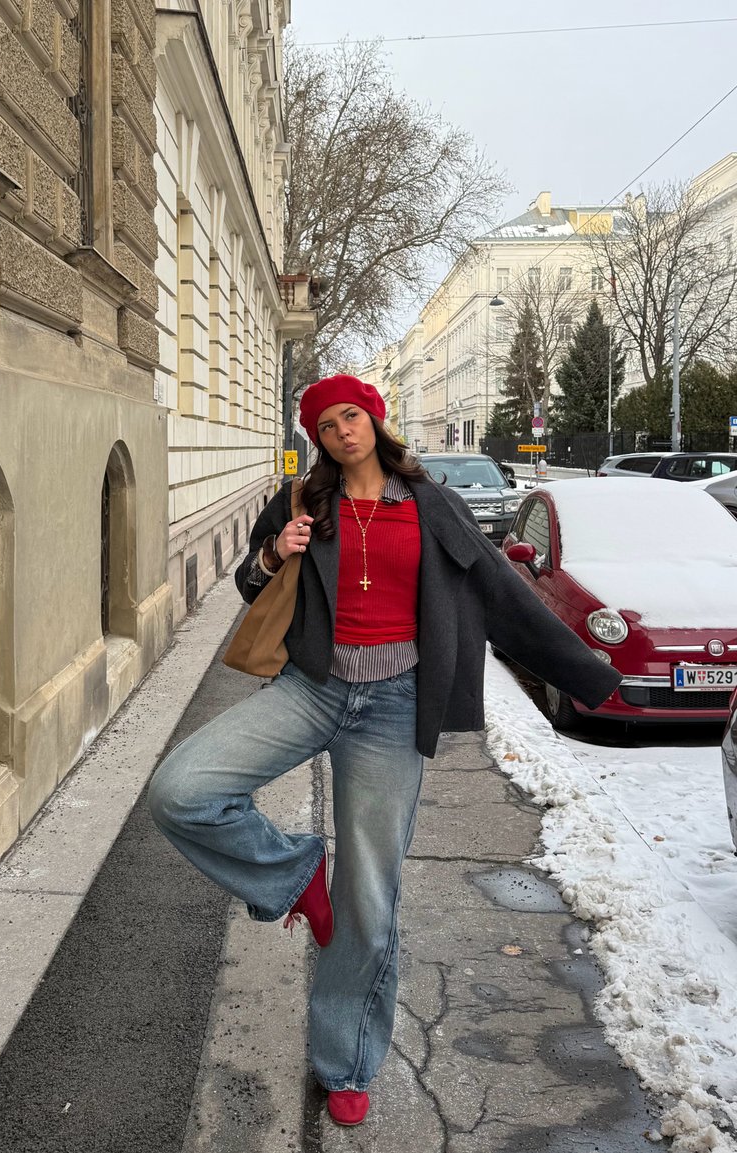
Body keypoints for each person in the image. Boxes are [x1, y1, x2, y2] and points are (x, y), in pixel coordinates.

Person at [148, 373, 621, 1127]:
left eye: (351, 416)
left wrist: (588, 676)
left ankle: (346, 1058)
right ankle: (294, 870)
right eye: (326, 424)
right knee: (180, 789)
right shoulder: (306, 501)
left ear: (375, 417)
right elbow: (247, 582)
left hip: (393, 708)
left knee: (369, 897)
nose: (342, 431)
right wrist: (276, 552)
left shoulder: (432, 505)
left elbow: (501, 591)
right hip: (312, 689)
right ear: (317, 438)